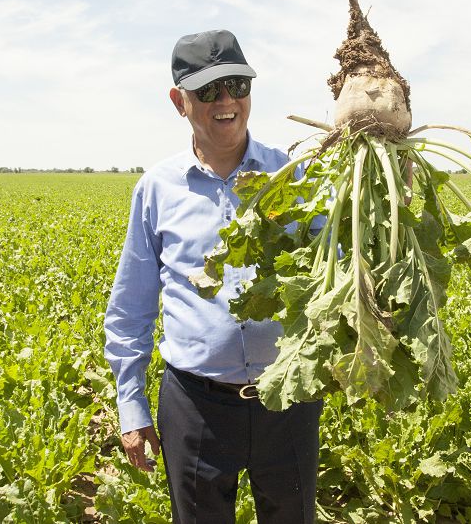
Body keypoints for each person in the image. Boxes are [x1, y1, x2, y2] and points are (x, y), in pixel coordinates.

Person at [104, 29, 323, 523]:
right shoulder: (156, 189)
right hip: (195, 405)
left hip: (287, 396)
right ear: (178, 101)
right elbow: (131, 308)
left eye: (236, 86)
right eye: (208, 91)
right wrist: (131, 405)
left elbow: (343, 262)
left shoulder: (294, 175)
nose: (226, 101)